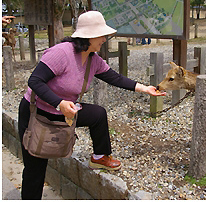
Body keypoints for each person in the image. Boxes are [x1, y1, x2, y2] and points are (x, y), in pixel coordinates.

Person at [18, 11, 166, 200]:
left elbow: (114, 77)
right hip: (36, 113)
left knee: (97, 114)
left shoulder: (92, 59)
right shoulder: (61, 53)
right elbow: (35, 81)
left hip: (65, 111)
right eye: (102, 35)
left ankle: (99, 157)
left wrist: (145, 89)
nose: (105, 39)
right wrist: (59, 103)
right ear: (88, 36)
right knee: (35, 170)